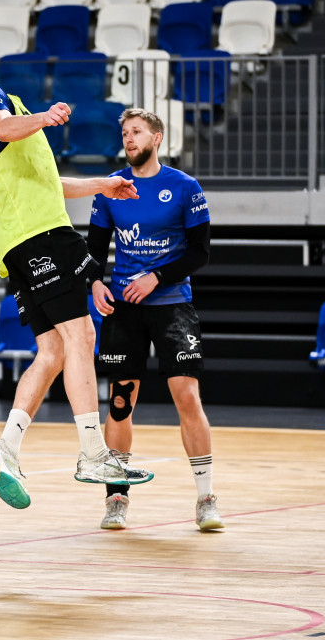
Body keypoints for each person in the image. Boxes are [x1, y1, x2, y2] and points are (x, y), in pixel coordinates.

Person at [0, 48, 154, 511]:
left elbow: (46, 181)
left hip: (17, 242)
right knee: (82, 335)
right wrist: (45, 116)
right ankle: (93, 455)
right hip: (39, 234)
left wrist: (102, 185)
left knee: (54, 350)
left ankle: (6, 447)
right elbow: (4, 126)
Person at [86, 107, 223, 532]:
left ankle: (206, 497)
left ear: (157, 138)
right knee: (121, 403)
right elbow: (93, 249)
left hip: (172, 305)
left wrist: (156, 277)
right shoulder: (111, 189)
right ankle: (116, 499)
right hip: (125, 308)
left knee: (187, 396)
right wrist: (95, 283)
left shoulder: (184, 187)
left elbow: (199, 252)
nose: (128, 139)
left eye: (137, 132)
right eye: (124, 133)